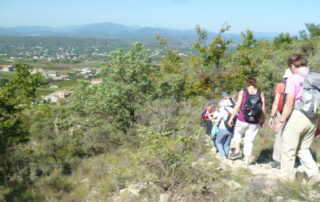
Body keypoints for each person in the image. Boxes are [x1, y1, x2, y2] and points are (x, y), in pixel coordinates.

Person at [274, 54, 320, 183]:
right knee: (303, 148)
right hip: (314, 118)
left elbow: (289, 104)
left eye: (291, 67)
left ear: (293, 66)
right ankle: (314, 174)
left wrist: (280, 122)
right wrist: (318, 125)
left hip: (298, 115)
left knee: (288, 148)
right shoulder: (316, 78)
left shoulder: (293, 78)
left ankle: (286, 181)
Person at [227, 77, 266, 165]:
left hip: (242, 118)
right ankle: (246, 161)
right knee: (249, 140)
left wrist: (231, 118)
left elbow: (237, 106)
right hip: (254, 121)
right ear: (255, 83)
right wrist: (262, 121)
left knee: (237, 132)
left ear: (247, 83)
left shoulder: (243, 92)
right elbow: (263, 109)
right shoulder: (260, 93)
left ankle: (237, 150)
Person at [268, 68, 292, 168]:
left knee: (279, 137)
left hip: (281, 113)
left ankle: (277, 160)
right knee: (290, 137)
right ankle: (289, 160)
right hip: (293, 114)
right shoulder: (299, 85)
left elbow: (276, 102)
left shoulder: (281, 86)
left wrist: (271, 116)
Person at [213, 92, 235, 159]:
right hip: (231, 129)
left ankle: (223, 156)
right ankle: (226, 157)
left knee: (218, 142)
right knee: (227, 144)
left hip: (222, 128)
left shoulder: (223, 110)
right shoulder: (234, 110)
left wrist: (212, 120)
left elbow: (218, 120)